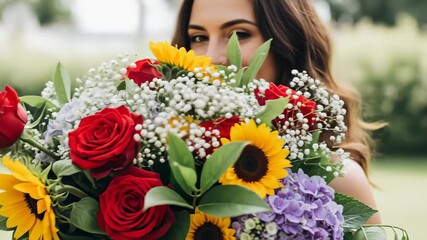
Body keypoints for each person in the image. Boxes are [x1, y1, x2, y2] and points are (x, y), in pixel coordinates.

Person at [171, 0, 382, 224]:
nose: (212, 58)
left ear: (288, 42)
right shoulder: (165, 167)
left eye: (240, 34)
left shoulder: (336, 179)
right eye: (199, 37)